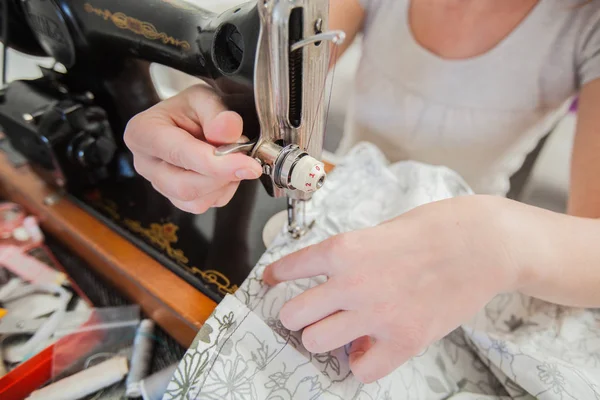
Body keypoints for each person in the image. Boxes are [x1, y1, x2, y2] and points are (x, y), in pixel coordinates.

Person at [124, 0, 600, 385]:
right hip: (343, 187)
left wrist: (497, 238)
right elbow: (286, 73)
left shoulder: (586, 25)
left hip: (458, 261)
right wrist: (225, 107)